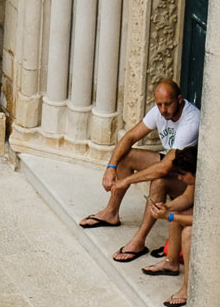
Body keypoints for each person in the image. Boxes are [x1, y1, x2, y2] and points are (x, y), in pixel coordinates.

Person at [78, 78, 199, 263]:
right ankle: (111, 213)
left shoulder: (191, 120)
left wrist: (126, 181)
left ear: (180, 100)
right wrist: (111, 167)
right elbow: (131, 136)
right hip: (174, 166)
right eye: (159, 104)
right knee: (126, 157)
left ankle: (139, 240)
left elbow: (165, 167)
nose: (163, 109)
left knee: (159, 181)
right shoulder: (159, 111)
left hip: (191, 180)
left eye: (168, 104)